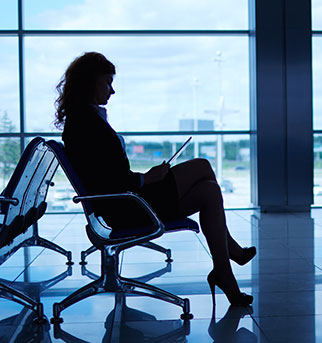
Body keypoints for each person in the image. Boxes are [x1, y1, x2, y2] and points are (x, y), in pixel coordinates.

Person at [55, 52, 255, 306]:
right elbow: (109, 182)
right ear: (90, 82)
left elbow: (106, 174)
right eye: (107, 82)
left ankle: (223, 272)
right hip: (126, 206)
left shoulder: (84, 119)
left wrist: (147, 179)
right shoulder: (84, 123)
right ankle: (231, 252)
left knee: (209, 191)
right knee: (203, 166)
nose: (112, 91)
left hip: (127, 201)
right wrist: (147, 179)